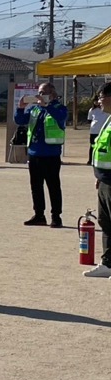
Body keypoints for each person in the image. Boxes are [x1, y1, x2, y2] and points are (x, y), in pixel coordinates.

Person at [15, 81, 68, 228]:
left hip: (51, 154)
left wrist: (47, 106)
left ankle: (56, 216)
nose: (40, 95)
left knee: (53, 186)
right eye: (39, 92)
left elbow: (60, 118)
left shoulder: (60, 108)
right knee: (36, 186)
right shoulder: (35, 109)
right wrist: (20, 108)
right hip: (34, 153)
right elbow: (20, 120)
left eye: (44, 92)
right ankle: (39, 214)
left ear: (52, 94)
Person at [85, 82, 111, 276]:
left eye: (102, 96)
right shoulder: (108, 120)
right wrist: (99, 175)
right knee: (106, 221)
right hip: (105, 180)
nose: (99, 101)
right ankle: (108, 264)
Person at [87, 94, 109, 166]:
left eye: (97, 100)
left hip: (101, 130)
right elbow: (89, 120)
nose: (96, 102)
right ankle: (91, 160)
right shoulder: (92, 110)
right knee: (92, 146)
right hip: (94, 131)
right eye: (95, 101)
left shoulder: (104, 109)